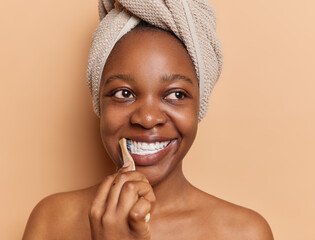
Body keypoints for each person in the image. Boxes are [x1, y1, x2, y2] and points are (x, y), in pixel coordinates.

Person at [23, 1, 274, 239]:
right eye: (124, 93)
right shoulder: (52, 221)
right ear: (99, 102)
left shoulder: (244, 233)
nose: (147, 118)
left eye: (176, 95)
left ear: (200, 104)